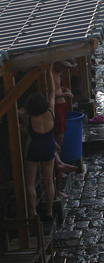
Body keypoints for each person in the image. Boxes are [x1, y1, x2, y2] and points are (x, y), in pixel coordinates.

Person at [20, 92, 58, 221]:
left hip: (34, 147)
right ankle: (49, 211)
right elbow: (52, 94)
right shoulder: (51, 111)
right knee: (48, 181)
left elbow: (16, 111)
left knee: (30, 182)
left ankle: (33, 212)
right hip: (49, 146)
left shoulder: (27, 116)